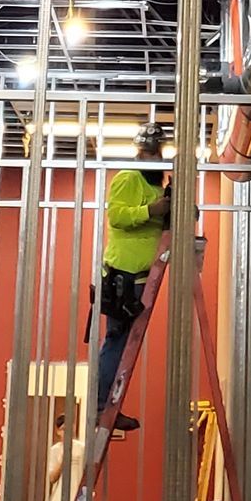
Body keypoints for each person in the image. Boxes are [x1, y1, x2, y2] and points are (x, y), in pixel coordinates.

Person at [95, 120, 170, 426]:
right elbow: (117, 216)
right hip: (123, 276)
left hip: (141, 276)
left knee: (125, 344)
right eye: (148, 152)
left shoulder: (154, 184)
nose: (152, 157)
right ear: (140, 153)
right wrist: (150, 211)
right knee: (117, 341)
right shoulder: (128, 177)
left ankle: (109, 405)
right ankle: (102, 407)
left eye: (156, 152)